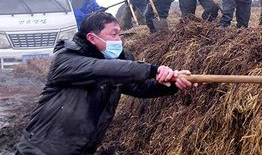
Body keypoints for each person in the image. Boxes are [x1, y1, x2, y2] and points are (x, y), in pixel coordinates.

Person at [16, 12, 192, 154]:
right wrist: (153, 70)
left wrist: (172, 83)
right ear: (92, 38)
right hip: (40, 149)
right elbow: (102, 69)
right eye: (113, 34)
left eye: (120, 34)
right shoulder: (66, 59)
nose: (119, 40)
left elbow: (140, 87)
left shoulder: (115, 64)